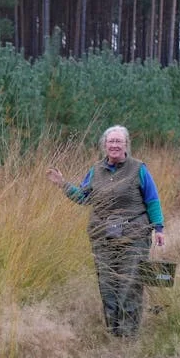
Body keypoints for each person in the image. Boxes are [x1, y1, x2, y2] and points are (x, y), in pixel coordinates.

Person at [45, 125, 165, 338]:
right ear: (104, 146)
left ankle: (128, 335)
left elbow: (152, 199)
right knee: (107, 283)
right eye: (111, 142)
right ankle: (113, 331)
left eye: (119, 141)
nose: (115, 145)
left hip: (134, 234)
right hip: (103, 236)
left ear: (126, 145)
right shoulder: (95, 170)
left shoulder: (139, 169)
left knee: (130, 282)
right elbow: (83, 197)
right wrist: (63, 184)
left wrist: (158, 228)